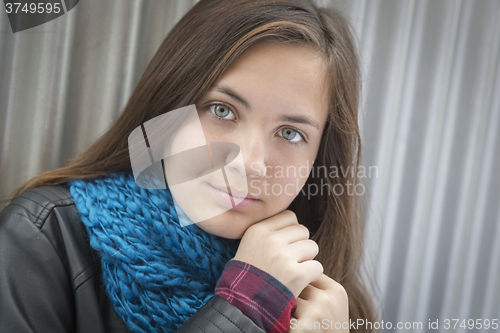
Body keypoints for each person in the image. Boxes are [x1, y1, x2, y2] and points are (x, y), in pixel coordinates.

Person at [0, 0, 377, 332]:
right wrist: (245, 309)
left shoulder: (329, 299)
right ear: (169, 108)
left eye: (291, 133)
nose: (248, 163)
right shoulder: (43, 238)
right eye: (222, 110)